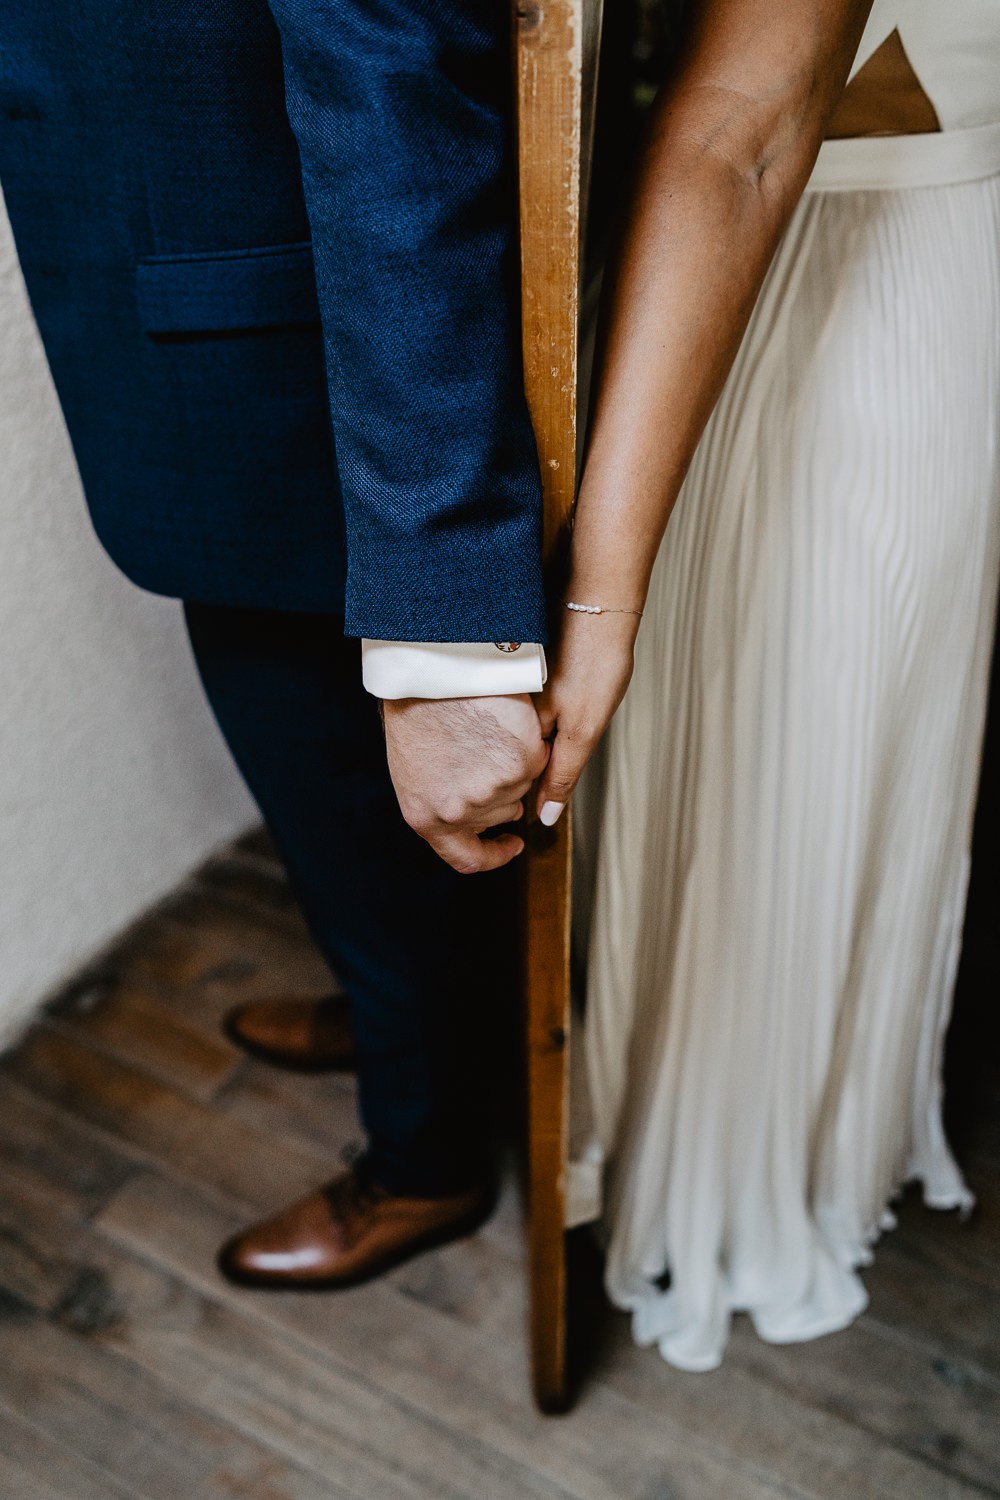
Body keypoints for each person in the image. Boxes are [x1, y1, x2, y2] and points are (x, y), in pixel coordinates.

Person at [0, 0, 553, 1288]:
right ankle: (398, 1016)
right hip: (178, 312)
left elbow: (390, 64)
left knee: (353, 772)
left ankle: (427, 1157)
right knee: (320, 784)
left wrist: (443, 633)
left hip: (294, 324)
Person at [538, 0, 1000, 1368]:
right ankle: (653, 1115)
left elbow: (739, 130)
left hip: (847, 271)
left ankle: (749, 1160)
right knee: (741, 751)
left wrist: (598, 598)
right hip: (805, 243)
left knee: (797, 753)